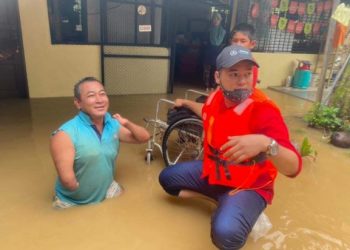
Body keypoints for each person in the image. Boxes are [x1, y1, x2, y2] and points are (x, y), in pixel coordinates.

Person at [159, 45, 302, 249]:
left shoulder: (264, 110)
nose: (242, 81)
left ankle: (235, 209)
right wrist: (187, 103)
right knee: (167, 179)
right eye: (234, 74)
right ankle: (218, 200)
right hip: (216, 174)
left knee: (226, 234)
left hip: (249, 186)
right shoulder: (217, 97)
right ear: (218, 77)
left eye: (247, 74)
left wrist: (266, 143)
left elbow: (294, 167)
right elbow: (207, 111)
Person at [50, 77, 150, 209]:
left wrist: (126, 123)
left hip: (108, 189)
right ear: (78, 103)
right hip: (73, 201)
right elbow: (68, 181)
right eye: (91, 95)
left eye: (102, 94)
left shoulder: (112, 124)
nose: (99, 100)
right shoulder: (64, 134)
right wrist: (86, 192)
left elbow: (144, 138)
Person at [203, 12, 226, 91]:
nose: (216, 21)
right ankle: (206, 86)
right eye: (214, 19)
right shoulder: (208, 30)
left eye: (218, 19)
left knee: (215, 70)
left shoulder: (223, 31)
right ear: (212, 20)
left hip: (217, 53)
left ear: (220, 20)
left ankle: (213, 86)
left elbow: (221, 43)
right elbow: (204, 41)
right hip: (208, 52)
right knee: (207, 70)